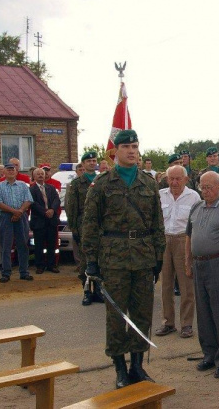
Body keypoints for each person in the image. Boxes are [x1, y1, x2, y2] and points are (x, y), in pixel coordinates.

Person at [81, 129, 166, 388]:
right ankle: (119, 369)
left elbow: (157, 223)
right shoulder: (102, 184)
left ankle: (137, 366)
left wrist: (158, 256)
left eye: (135, 146)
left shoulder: (149, 183)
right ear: (115, 151)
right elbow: (90, 224)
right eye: (126, 146)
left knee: (141, 314)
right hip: (113, 260)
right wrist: (91, 261)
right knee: (116, 317)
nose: (132, 151)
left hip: (143, 258)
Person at [185, 171, 219, 379]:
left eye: (209, 187)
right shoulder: (196, 207)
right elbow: (188, 236)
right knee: (204, 312)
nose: (205, 191)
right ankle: (209, 354)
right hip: (200, 265)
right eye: (202, 187)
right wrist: (187, 262)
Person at [155, 165, 201, 339]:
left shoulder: (194, 197)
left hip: (184, 240)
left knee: (186, 285)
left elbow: (197, 223)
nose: (174, 182)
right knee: (165, 285)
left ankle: (187, 324)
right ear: (166, 179)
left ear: (186, 179)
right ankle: (168, 323)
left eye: (178, 179)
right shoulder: (161, 195)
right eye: (171, 179)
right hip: (164, 240)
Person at [66, 151, 103, 306]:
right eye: (88, 161)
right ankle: (87, 291)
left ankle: (98, 291)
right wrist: (74, 228)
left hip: (100, 227)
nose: (92, 163)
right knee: (85, 262)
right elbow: (71, 207)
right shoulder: (76, 184)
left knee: (100, 261)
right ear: (83, 164)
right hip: (83, 226)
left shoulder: (101, 181)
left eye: (94, 160)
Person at [0, 162, 34, 283]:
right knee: (6, 246)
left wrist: (20, 211)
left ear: (16, 172)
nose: (11, 171)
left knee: (23, 245)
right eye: (8, 169)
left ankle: (24, 272)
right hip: (6, 217)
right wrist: (14, 212)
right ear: (4, 172)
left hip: (21, 216)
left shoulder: (23, 185)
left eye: (13, 169)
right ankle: (6, 273)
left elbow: (28, 200)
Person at [30, 168, 61, 274]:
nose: (40, 175)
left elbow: (57, 200)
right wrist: (45, 212)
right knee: (39, 245)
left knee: (51, 244)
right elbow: (32, 203)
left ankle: (51, 265)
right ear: (34, 176)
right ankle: (40, 265)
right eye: (38, 174)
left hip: (51, 220)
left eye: (42, 174)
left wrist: (52, 209)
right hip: (39, 221)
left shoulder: (51, 188)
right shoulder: (31, 189)